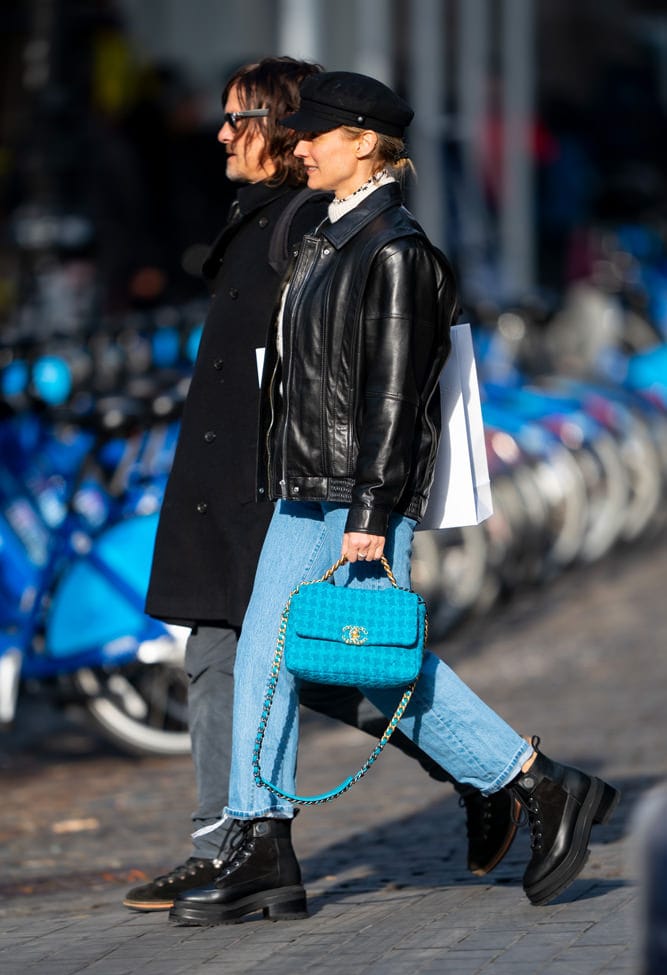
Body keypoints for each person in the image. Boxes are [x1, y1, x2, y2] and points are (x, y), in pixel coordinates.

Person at [168, 71, 620, 927]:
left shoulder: (397, 252)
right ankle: (263, 844)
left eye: (314, 134)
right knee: (270, 658)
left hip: (354, 498)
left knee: (376, 663)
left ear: (364, 141)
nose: (296, 146)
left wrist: (374, 514)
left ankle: (537, 784)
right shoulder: (322, 239)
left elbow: (395, 398)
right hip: (303, 487)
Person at [124, 57, 517, 913]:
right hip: (254, 479)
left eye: (241, 118)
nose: (224, 134)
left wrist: (364, 506)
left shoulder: (332, 230)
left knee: (332, 664)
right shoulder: (285, 220)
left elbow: (380, 382)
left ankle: (515, 778)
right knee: (237, 659)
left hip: (289, 488)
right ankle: (240, 844)